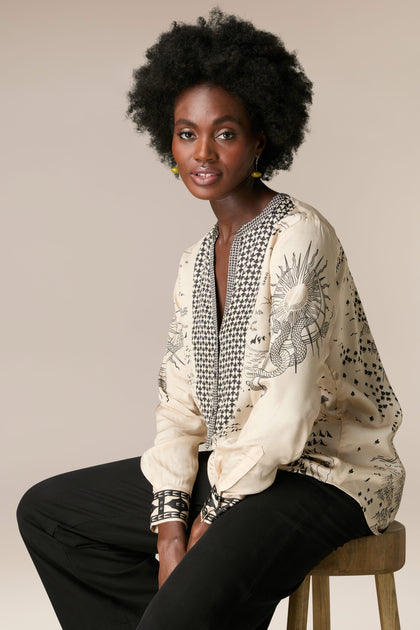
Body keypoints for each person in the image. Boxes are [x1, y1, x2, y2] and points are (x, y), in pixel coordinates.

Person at [16, 9, 405, 630]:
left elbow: (286, 416)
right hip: (234, 469)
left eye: (224, 133)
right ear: (166, 143)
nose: (202, 152)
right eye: (185, 133)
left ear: (260, 140)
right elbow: (180, 408)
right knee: (50, 512)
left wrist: (208, 520)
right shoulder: (197, 260)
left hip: (327, 477)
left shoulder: (301, 235)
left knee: (190, 599)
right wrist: (171, 529)